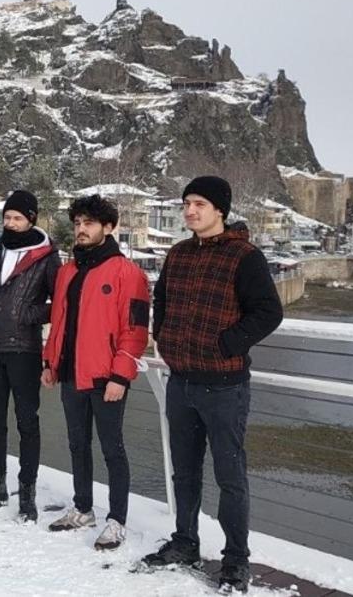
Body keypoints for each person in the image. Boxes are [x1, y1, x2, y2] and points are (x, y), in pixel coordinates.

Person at [141, 176, 283, 593]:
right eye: (186, 203)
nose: (190, 210)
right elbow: (161, 300)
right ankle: (185, 542)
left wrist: (226, 344)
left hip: (224, 387)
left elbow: (268, 312)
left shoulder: (245, 256)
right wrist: (163, 336)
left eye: (199, 203)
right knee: (184, 472)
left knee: (229, 476)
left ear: (220, 209)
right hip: (181, 381)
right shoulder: (179, 254)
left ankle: (236, 559)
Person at [40, 194, 149, 550]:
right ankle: (83, 508)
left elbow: (135, 331)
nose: (81, 230)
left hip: (106, 378)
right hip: (71, 373)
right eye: (77, 223)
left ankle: (117, 520)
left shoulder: (127, 273)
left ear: (108, 227)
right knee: (77, 444)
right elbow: (59, 323)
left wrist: (121, 376)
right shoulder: (67, 272)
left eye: (89, 223)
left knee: (112, 449)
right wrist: (50, 362)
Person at [0, 190, 60, 522]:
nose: (11, 223)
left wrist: (27, 313)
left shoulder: (46, 257)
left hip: (24, 350)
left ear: (31, 220)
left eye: (17, 218)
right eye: (7, 217)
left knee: (27, 423)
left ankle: (27, 492)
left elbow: (60, 304)